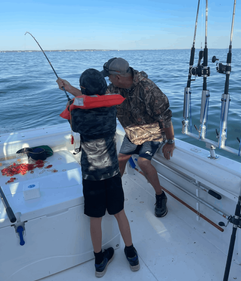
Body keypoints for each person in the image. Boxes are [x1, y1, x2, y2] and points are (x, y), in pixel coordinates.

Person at [57, 69, 140, 278]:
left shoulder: (76, 111)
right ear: (103, 89)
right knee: (119, 212)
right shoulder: (111, 108)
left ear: (83, 89)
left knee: (95, 218)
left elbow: (80, 109)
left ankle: (99, 261)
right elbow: (93, 99)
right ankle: (131, 254)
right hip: (111, 172)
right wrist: (70, 88)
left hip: (91, 174)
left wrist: (70, 97)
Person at [101, 58, 175, 218]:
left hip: (152, 132)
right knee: (120, 160)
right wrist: (71, 89)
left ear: (118, 77)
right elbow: (97, 99)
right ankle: (115, 193)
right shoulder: (113, 88)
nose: (109, 80)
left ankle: (160, 196)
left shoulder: (148, 89)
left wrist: (170, 142)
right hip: (133, 132)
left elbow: (166, 118)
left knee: (143, 162)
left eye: (109, 76)